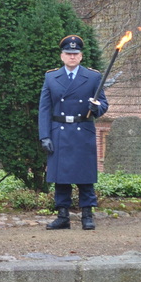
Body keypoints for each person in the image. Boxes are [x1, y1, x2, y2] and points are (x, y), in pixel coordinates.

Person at [38, 34, 109, 231]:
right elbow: (44, 109)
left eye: (75, 54)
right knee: (61, 178)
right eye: (68, 53)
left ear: (81, 56)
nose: (72, 56)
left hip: (82, 131)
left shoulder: (93, 77)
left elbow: (104, 104)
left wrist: (96, 107)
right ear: (62, 56)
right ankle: (63, 216)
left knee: (85, 177)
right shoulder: (51, 77)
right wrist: (44, 136)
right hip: (59, 131)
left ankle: (87, 215)